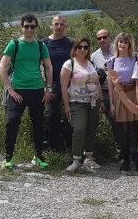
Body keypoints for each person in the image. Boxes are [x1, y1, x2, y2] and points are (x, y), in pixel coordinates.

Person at [0, 14, 53, 170]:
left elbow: (48, 67)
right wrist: (10, 89)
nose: (29, 29)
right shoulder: (14, 44)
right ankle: (8, 158)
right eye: (26, 26)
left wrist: (48, 88)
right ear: (21, 27)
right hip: (18, 91)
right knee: (12, 122)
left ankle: (38, 156)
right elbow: (2, 67)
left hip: (37, 90)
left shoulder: (41, 46)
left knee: (38, 124)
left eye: (32, 26)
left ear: (36, 28)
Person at [61, 38, 103, 174]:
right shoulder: (69, 64)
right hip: (77, 102)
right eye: (80, 47)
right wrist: (66, 105)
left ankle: (89, 158)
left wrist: (101, 100)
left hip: (92, 102)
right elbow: (63, 86)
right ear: (75, 48)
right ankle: (76, 160)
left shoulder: (90, 63)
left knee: (91, 129)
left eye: (86, 47)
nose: (83, 50)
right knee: (79, 129)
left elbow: (97, 83)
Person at [108, 32, 138, 173]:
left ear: (129, 45)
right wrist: (111, 102)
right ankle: (126, 158)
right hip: (119, 95)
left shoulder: (136, 58)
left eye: (125, 42)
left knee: (135, 127)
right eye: (120, 42)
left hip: (133, 93)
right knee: (124, 129)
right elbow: (110, 84)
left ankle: (136, 156)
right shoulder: (112, 61)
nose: (122, 45)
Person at [42, 15, 73, 152]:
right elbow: (38, 65)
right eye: (56, 24)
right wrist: (45, 87)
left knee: (70, 115)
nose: (59, 27)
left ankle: (70, 145)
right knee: (51, 115)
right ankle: (54, 146)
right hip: (52, 84)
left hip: (70, 84)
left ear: (66, 27)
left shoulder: (71, 43)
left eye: (62, 24)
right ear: (51, 26)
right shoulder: (43, 43)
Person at [90, 29, 116, 128]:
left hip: (120, 91)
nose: (102, 40)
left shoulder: (119, 49)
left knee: (125, 121)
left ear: (109, 37)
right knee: (112, 121)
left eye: (104, 37)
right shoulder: (94, 56)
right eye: (99, 38)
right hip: (104, 93)